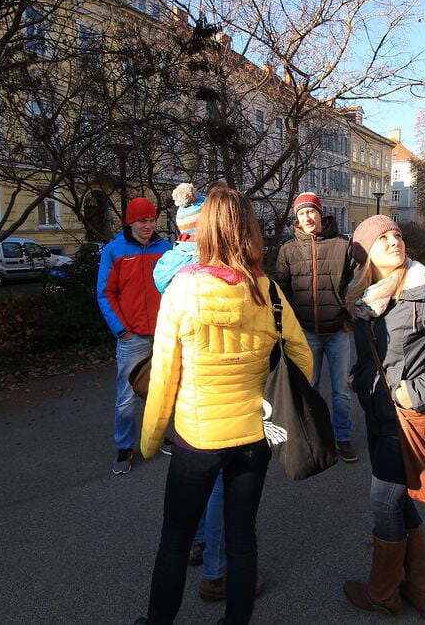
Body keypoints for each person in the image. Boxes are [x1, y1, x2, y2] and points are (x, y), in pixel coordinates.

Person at [135, 184, 312, 625]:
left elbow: (164, 376)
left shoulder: (181, 292)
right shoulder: (267, 291)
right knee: (241, 539)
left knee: (175, 539)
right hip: (253, 437)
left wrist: (150, 441)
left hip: (197, 439)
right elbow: (303, 360)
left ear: (204, 231)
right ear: (250, 231)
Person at [342, 215, 425, 620]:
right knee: (398, 498)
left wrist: (415, 392)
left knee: (385, 501)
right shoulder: (367, 296)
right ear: (366, 252)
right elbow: (374, 353)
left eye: (397, 235)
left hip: (406, 418)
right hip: (377, 414)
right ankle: (422, 590)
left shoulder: (424, 289)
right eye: (382, 238)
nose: (393, 241)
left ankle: (383, 594)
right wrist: (358, 376)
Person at [274, 192, 358, 463]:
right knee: (309, 388)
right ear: (296, 219)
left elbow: (356, 284)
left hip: (338, 332)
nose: (307, 217)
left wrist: (349, 316)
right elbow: (281, 292)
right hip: (306, 333)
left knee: (341, 392)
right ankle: (314, 436)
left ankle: (342, 437)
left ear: (320, 213)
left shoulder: (342, 245)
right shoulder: (288, 250)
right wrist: (290, 326)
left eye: (311, 211)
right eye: (301, 213)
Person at [96, 197, 172, 475]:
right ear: (130, 222)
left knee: (161, 390)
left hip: (164, 333)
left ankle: (157, 436)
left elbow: (176, 287)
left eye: (151, 220)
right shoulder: (114, 250)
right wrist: (122, 331)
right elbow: (105, 294)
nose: (148, 226)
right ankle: (124, 447)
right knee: (127, 395)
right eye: (142, 221)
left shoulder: (166, 248)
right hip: (133, 337)